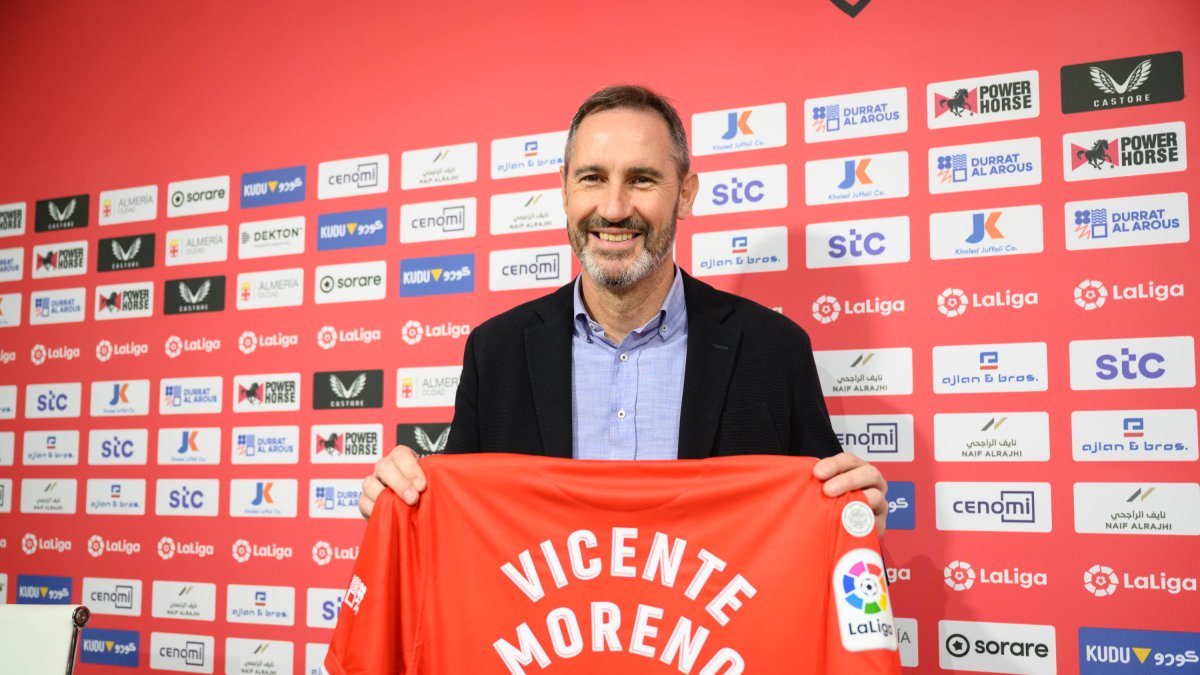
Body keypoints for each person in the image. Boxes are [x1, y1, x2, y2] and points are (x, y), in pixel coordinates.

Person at [360, 84, 889, 534]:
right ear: (564, 190)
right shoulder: (494, 352)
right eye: (592, 177)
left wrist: (853, 524)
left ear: (685, 195)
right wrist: (402, 503)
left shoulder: (773, 350)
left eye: (641, 179)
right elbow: (455, 527)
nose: (613, 209)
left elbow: (818, 527)